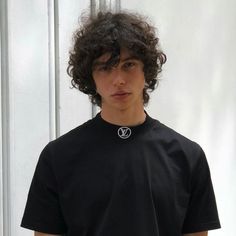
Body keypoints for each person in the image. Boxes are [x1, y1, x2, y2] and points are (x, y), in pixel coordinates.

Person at [21, 11, 221, 236]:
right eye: (105, 67)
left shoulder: (187, 156)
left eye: (129, 65)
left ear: (147, 71)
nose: (119, 80)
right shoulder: (58, 157)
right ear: (90, 77)